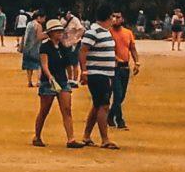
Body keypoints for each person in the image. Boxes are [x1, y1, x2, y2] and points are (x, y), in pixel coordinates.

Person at [32, 17, 79, 147]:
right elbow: (44, 64)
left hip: (62, 81)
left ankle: (71, 139)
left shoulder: (63, 47)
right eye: (57, 31)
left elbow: (68, 64)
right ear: (51, 33)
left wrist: (71, 78)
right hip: (49, 82)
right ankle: (37, 136)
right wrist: (50, 77)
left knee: (67, 109)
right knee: (44, 110)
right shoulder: (45, 47)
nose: (60, 33)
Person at [79, 13, 119, 148]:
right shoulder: (93, 32)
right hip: (97, 73)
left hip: (107, 73)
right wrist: (84, 71)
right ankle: (105, 139)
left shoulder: (106, 32)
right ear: (108, 18)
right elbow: (82, 51)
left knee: (97, 105)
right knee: (104, 105)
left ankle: (86, 136)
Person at [107, 9, 139, 127]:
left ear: (122, 19)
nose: (116, 19)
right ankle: (119, 120)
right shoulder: (108, 32)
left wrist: (137, 62)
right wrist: (116, 59)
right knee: (118, 93)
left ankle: (110, 116)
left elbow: (132, 48)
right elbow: (108, 50)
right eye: (114, 16)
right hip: (114, 67)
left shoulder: (128, 33)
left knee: (122, 95)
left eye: (118, 17)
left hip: (125, 67)